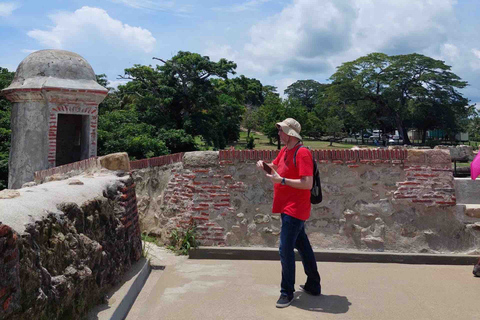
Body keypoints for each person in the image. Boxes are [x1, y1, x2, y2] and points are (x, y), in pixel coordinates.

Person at [256, 118, 321, 308]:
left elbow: (307, 183)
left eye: (281, 130)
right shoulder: (285, 150)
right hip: (286, 206)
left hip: (296, 208)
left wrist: (282, 181)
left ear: (290, 133)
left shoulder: (302, 153)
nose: (278, 133)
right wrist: (264, 166)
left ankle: (287, 292)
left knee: (285, 249)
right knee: (303, 246)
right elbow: (276, 168)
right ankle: (313, 284)